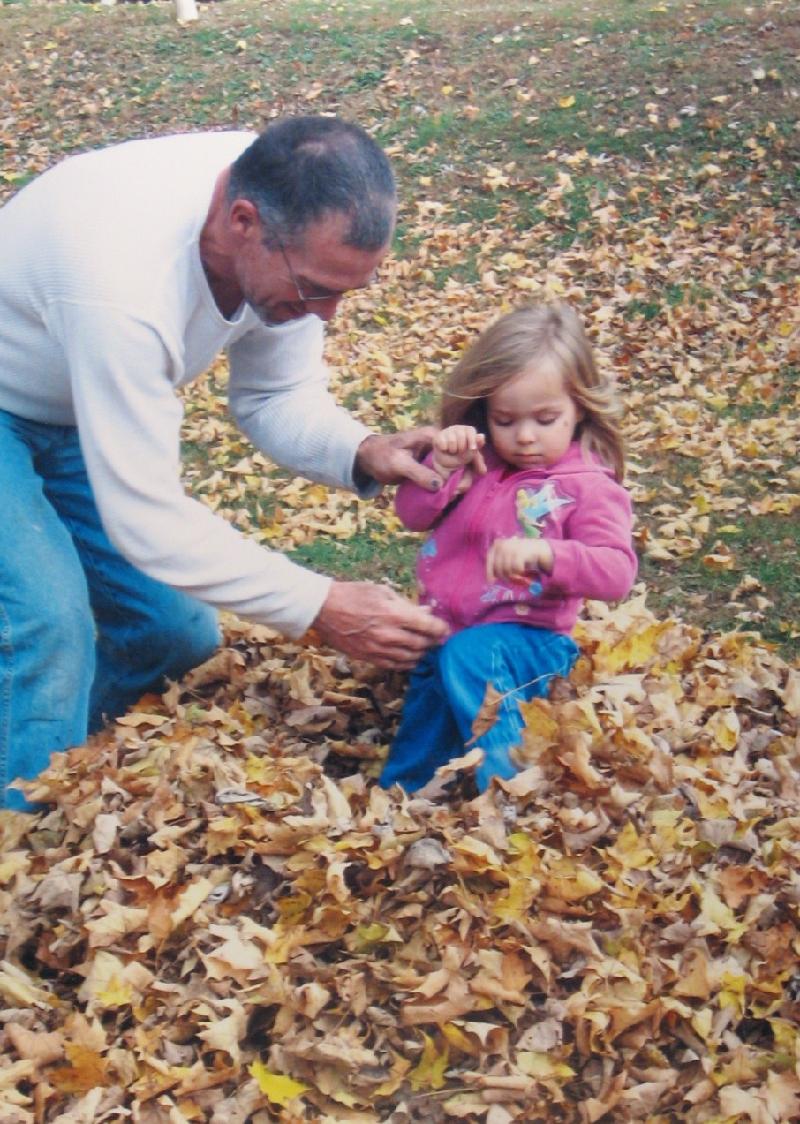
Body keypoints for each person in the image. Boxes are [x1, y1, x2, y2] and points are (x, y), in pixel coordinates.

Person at [0, 115, 448, 811]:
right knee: (47, 623)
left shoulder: (281, 205)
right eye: (316, 289)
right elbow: (148, 520)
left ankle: (62, 768)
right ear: (243, 223)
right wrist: (321, 605)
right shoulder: (123, 277)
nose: (327, 314)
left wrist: (362, 448)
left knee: (171, 632)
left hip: (75, 405)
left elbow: (275, 395)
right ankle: (18, 844)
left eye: (345, 293)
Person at [380, 303, 638, 794]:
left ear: (579, 408)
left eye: (546, 419)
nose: (524, 437)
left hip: (530, 645)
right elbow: (411, 514)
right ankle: (402, 797)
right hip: (448, 631)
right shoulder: (478, 460)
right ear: (484, 411)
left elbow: (616, 572)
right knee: (427, 711)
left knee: (471, 657)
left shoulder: (586, 485)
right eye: (504, 420)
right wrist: (441, 467)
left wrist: (548, 555)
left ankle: (509, 788)